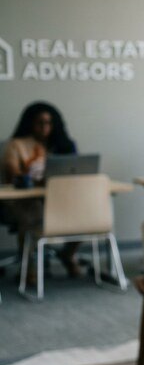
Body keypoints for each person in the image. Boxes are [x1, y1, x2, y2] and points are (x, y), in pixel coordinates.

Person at [2, 102, 83, 278]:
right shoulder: (16, 145)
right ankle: (28, 267)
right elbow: (13, 174)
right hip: (22, 201)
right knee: (34, 212)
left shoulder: (62, 146)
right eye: (40, 122)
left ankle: (67, 255)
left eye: (49, 123)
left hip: (58, 197)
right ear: (30, 123)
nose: (45, 127)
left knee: (84, 212)